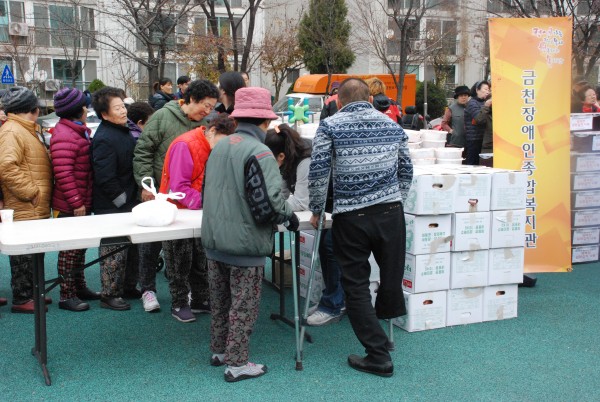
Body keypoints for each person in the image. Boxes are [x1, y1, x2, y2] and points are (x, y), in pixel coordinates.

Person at [308, 78, 413, 377]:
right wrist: (396, 199)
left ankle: (378, 353)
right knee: (391, 277)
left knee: (355, 285)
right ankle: (384, 339)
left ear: (338, 101)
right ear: (370, 98)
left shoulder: (330, 125)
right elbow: (407, 170)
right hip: (390, 212)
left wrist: (317, 209)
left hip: (351, 216)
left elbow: (318, 172)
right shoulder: (393, 126)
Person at [201, 87, 298, 382]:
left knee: (220, 301)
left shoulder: (220, 145)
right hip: (245, 243)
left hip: (215, 237)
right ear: (265, 121)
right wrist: (288, 215)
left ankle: (219, 351)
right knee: (243, 305)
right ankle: (238, 363)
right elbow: (268, 202)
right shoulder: (260, 151)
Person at [133, 79, 219, 318]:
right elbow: (143, 150)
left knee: (193, 252)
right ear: (190, 99)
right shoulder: (162, 117)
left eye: (211, 107)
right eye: (205, 105)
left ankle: (196, 297)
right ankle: (147, 289)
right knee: (154, 247)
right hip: (162, 193)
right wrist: (144, 183)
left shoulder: (205, 125)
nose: (207, 111)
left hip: (191, 198)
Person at [157, 113, 234, 321]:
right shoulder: (186, 144)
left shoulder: (211, 145)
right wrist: (207, 201)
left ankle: (200, 299)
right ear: (212, 131)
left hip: (198, 210)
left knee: (201, 257)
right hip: (177, 212)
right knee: (178, 260)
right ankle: (179, 302)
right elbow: (178, 187)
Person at [0, 87, 53, 313]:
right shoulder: (13, 131)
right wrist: (31, 192)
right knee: (23, 254)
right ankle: (22, 298)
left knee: (32, 252)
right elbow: (6, 167)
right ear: (34, 109)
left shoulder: (23, 129)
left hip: (31, 204)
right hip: (23, 204)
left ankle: (31, 293)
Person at [50, 87, 101, 312]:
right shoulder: (64, 134)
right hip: (71, 203)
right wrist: (76, 202)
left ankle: (79, 287)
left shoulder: (76, 130)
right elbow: (63, 172)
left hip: (81, 199)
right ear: (79, 109)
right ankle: (66, 294)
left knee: (79, 248)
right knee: (70, 250)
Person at [91, 87, 140, 311]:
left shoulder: (121, 130)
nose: (123, 111)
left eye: (123, 106)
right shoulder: (104, 138)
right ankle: (109, 294)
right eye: (117, 108)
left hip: (128, 202)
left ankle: (128, 286)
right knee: (113, 251)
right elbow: (105, 177)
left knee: (131, 247)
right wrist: (122, 202)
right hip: (112, 205)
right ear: (104, 114)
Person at [464, 80, 490, 165]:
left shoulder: (483, 102)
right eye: (485, 89)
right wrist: (486, 106)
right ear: (477, 90)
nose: (487, 91)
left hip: (482, 139)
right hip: (473, 140)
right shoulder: (472, 103)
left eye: (488, 90)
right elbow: (480, 119)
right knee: (472, 164)